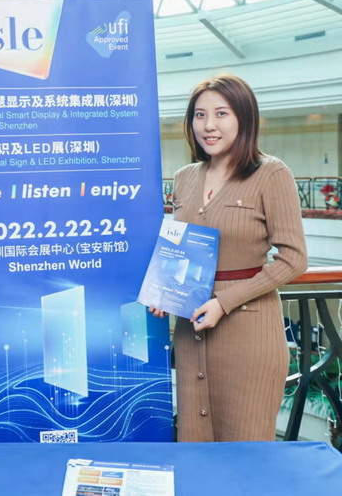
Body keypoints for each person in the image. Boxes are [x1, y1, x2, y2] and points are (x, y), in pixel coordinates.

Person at [150, 74, 307, 442]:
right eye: (200, 115)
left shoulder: (272, 174)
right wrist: (164, 289)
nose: (209, 125)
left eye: (221, 113)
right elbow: (184, 246)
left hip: (248, 332)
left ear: (243, 118)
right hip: (191, 329)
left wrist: (224, 302)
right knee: (195, 443)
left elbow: (294, 259)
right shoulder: (185, 177)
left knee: (245, 446)